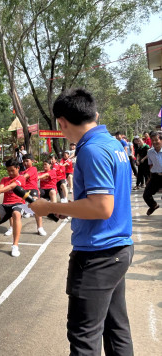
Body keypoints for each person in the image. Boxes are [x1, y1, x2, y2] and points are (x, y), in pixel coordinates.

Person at [30, 88, 134, 355]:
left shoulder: (92, 151)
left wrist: (49, 206)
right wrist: (67, 209)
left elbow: (101, 207)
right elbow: (99, 201)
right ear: (94, 114)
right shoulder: (113, 144)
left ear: (62, 122)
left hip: (97, 256)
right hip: (116, 250)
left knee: (84, 337)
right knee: (116, 329)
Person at [21, 153, 46, 236]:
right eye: (24, 161)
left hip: (32, 190)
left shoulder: (33, 169)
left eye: (27, 161)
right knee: (13, 205)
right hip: (23, 190)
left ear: (32, 161)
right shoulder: (22, 171)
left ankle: (40, 228)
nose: (25, 163)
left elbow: (24, 177)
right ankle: (11, 227)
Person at [143, 131, 162, 215]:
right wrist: (150, 178)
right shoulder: (150, 152)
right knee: (146, 195)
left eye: (156, 140)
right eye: (152, 140)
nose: (154, 142)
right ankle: (153, 205)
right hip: (155, 176)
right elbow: (150, 165)